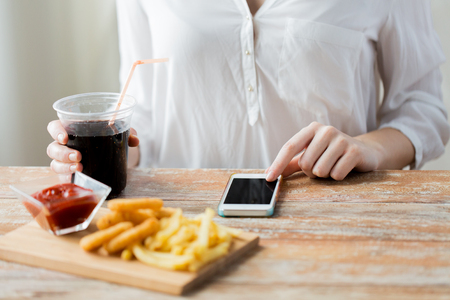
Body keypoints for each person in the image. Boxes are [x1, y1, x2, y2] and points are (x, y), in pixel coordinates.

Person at [47, 0, 450, 182]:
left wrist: (370, 148)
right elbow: (148, 113)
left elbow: (424, 108)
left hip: (331, 219)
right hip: (184, 227)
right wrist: (95, 157)